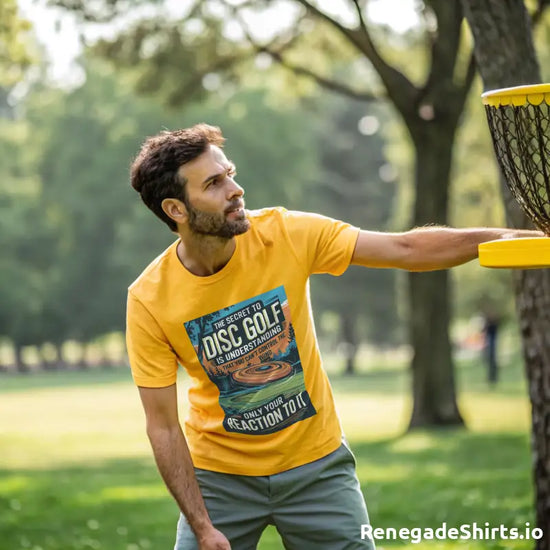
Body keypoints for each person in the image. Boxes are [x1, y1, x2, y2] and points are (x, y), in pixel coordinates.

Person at [126, 123, 541, 550]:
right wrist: (201, 525)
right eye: (214, 183)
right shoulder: (149, 299)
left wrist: (517, 238)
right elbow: (163, 427)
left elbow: (406, 250)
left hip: (317, 467)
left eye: (229, 173)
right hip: (219, 481)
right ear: (176, 209)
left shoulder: (286, 234)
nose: (235, 189)